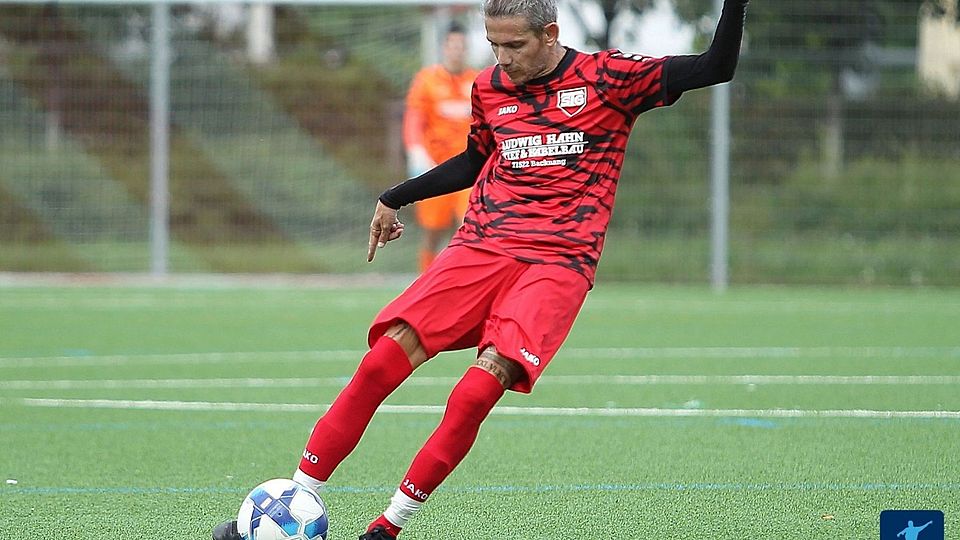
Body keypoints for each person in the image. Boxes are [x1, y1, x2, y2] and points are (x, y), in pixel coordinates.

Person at [213, 0, 748, 538]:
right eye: (493, 45)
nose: (502, 58)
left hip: (558, 262)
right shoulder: (490, 88)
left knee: (474, 393)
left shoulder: (608, 78)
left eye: (515, 45)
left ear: (550, 34)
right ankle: (294, 498)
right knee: (381, 362)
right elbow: (475, 160)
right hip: (481, 246)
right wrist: (396, 196)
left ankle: (387, 527)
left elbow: (715, 66)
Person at [403, 22, 479, 272]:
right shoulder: (426, 81)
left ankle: (459, 279)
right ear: (444, 48)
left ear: (466, 49)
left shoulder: (477, 81)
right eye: (452, 45)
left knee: (467, 227)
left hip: (468, 172)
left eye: (461, 46)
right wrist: (416, 152)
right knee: (433, 231)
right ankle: (425, 279)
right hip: (435, 169)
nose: (456, 50)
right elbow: (413, 120)